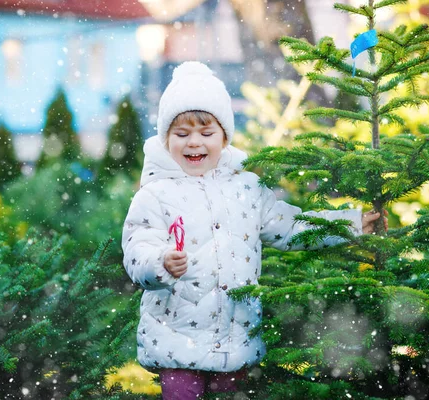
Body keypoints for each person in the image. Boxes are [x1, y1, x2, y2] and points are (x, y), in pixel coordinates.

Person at [121, 61, 387, 399]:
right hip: (176, 339)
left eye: (206, 133)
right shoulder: (155, 194)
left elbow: (291, 227)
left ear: (225, 137)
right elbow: (137, 248)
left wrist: (350, 223)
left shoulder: (246, 189)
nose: (194, 144)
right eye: (182, 134)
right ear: (165, 138)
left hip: (236, 338)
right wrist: (160, 262)